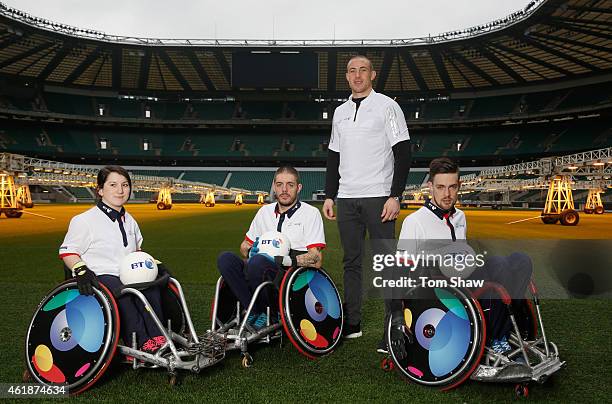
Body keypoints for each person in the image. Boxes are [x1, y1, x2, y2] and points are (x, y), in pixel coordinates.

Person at [396, 157, 533, 355]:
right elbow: (400, 270)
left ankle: (507, 325)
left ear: (459, 186)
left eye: (452, 187)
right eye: (441, 187)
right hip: (439, 288)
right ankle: (496, 338)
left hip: (464, 274)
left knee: (521, 261)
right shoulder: (414, 221)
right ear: (430, 186)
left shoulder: (460, 216)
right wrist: (397, 313)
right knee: (494, 276)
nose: (447, 194)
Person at [322, 54, 412, 343]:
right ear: (347, 77)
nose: (357, 75)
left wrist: (395, 195)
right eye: (351, 71)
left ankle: (393, 329)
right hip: (347, 198)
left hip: (379, 197)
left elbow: (403, 152)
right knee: (351, 262)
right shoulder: (339, 112)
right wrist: (329, 194)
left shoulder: (388, 106)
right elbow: (334, 156)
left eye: (363, 70)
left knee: (387, 262)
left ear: (372, 75)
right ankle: (352, 323)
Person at [59, 166, 169, 354]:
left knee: (152, 288)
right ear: (100, 190)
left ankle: (159, 337)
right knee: (122, 292)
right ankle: (141, 341)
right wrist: (80, 269)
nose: (120, 190)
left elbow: (136, 251)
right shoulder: (84, 220)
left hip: (129, 272)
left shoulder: (130, 220)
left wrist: (156, 264)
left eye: (125, 185)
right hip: (100, 275)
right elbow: (68, 252)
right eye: (113, 185)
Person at [217, 166, 326, 328]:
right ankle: (254, 310)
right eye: (280, 184)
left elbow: (316, 259)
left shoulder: (310, 213)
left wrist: (284, 260)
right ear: (274, 186)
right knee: (225, 259)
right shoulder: (264, 212)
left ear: (299, 187)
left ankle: (270, 313)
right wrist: (249, 249)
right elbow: (244, 245)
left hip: (289, 274)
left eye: (290, 185)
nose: (284, 189)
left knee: (257, 263)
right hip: (259, 266)